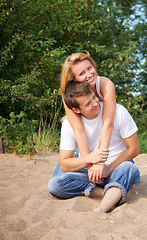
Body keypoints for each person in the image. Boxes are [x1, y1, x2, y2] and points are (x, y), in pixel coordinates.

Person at [48, 81, 140, 213]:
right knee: (55, 185)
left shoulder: (119, 111)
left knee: (129, 168)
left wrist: (107, 169)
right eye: (88, 103)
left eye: (94, 97)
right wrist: (90, 158)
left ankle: (101, 209)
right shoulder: (69, 125)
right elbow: (64, 164)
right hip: (89, 174)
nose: (96, 103)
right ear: (77, 110)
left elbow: (134, 148)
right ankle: (108, 192)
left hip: (115, 168)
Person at [60, 52, 116, 183]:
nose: (89, 74)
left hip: (108, 149)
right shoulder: (68, 97)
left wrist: (100, 161)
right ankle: (96, 189)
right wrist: (90, 164)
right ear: (73, 79)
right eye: (82, 73)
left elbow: (107, 123)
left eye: (89, 68)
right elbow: (79, 130)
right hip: (84, 152)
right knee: (57, 182)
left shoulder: (105, 85)